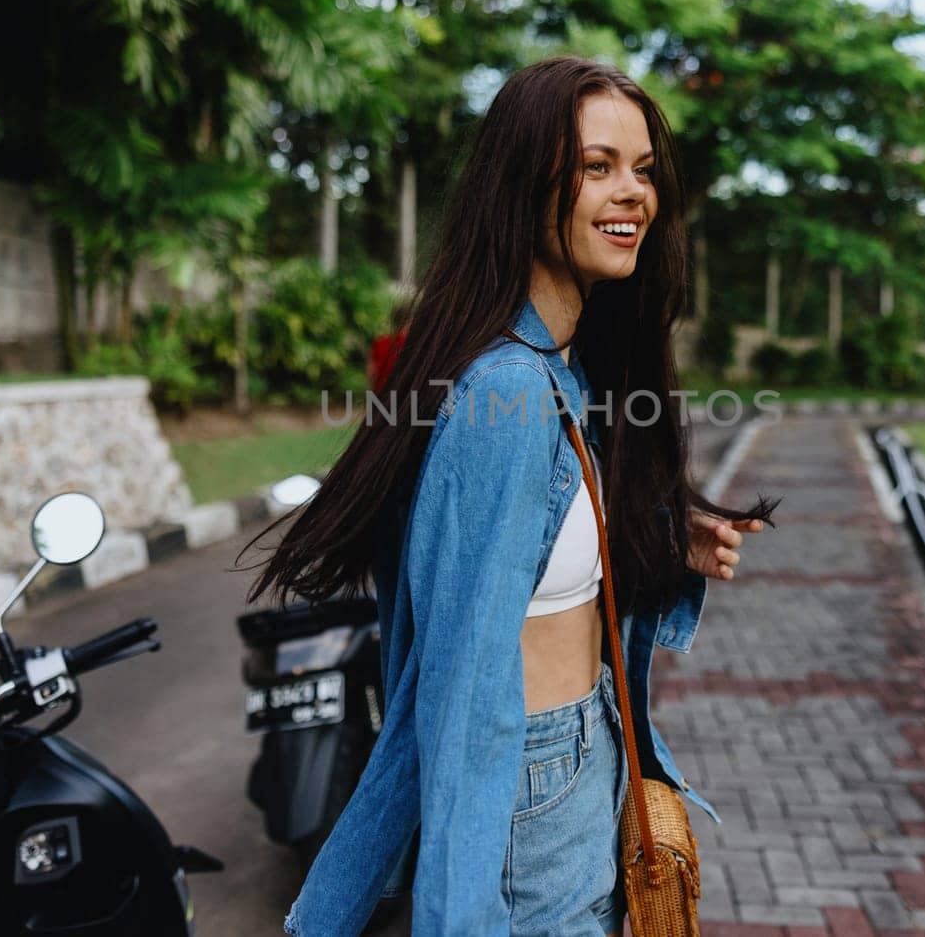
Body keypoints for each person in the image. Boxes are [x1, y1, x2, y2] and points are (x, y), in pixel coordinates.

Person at [251, 56, 777, 936]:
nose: (632, 193)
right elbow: (459, 700)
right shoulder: (509, 395)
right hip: (533, 783)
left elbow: (538, 542)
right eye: (598, 165)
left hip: (576, 755)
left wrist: (650, 534)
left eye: (643, 169)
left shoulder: (554, 367)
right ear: (524, 186)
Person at [368, 299, 412, 393]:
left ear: (392, 320)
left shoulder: (379, 342)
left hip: (381, 395)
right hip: (405, 396)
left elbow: (371, 373)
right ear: (410, 320)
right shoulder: (413, 343)